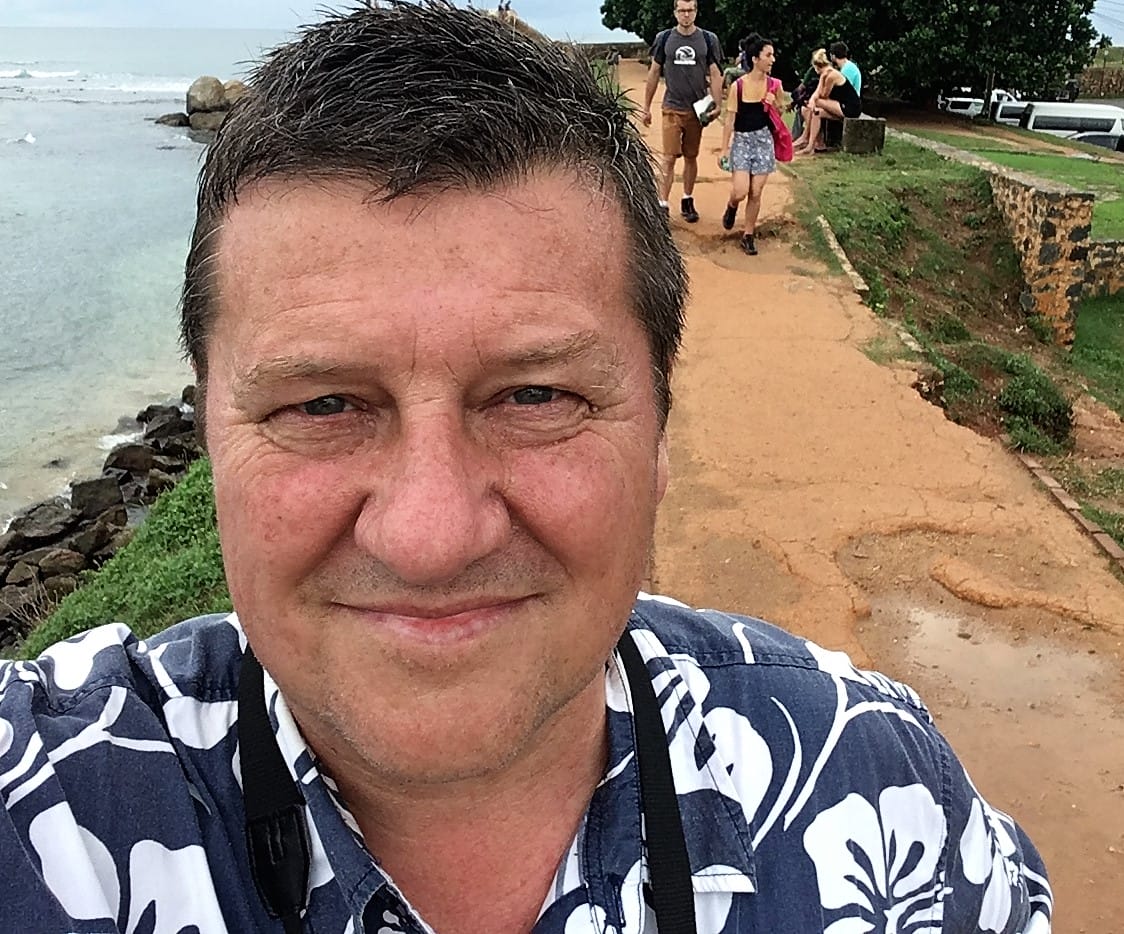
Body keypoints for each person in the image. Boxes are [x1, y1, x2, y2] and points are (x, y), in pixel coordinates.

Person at [0, 4, 1052, 933]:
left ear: (660, 434)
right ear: (210, 432)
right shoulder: (44, 802)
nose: (430, 536)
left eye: (536, 396)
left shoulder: (881, 784)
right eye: (322, 405)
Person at [640, 0, 724, 223]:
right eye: (682, 10)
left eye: (690, 10)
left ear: (696, 12)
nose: (686, 15)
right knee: (669, 157)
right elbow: (654, 72)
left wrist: (718, 104)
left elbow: (716, 73)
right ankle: (662, 203)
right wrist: (646, 107)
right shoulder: (664, 39)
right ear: (675, 12)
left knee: (691, 156)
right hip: (672, 107)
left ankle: (687, 199)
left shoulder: (708, 40)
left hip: (697, 108)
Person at [719, 34, 780, 256]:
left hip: (763, 140)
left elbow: (780, 113)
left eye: (773, 55)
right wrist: (724, 149)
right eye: (768, 55)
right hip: (742, 141)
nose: (773, 59)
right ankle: (732, 205)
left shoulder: (774, 85)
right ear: (755, 59)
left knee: (756, 191)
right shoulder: (738, 87)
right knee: (741, 190)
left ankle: (748, 235)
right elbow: (730, 120)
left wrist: (774, 104)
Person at [794, 47, 862, 155]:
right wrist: (812, 101)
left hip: (850, 107)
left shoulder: (831, 76)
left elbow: (823, 95)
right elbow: (817, 92)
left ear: (817, 66)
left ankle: (804, 137)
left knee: (816, 103)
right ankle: (811, 145)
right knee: (816, 112)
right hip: (839, 105)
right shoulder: (825, 74)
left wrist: (813, 101)